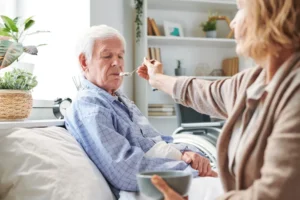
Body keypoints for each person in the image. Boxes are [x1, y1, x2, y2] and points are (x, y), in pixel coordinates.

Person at [137, 0, 300, 199]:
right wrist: (157, 78)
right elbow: (204, 91)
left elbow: (274, 194)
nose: (232, 24)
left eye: (239, 10)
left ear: (268, 17)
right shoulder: (255, 79)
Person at [65, 25, 217, 198]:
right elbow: (125, 170)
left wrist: (188, 154)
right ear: (84, 62)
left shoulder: (120, 100)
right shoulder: (89, 106)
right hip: (148, 190)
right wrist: (187, 167)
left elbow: (159, 142)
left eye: (120, 56)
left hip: (176, 176)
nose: (117, 63)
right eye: (107, 56)